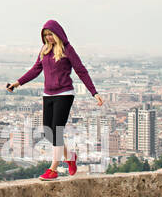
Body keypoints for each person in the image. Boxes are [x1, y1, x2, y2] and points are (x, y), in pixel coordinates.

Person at [6, 19, 103, 180]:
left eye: (50, 34)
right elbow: (35, 70)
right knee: (48, 132)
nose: (48, 37)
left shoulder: (67, 49)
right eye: (45, 35)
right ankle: (70, 157)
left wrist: (94, 92)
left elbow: (81, 71)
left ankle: (53, 169)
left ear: (58, 34)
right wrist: (17, 83)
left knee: (57, 131)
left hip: (64, 94)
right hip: (48, 94)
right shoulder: (44, 50)